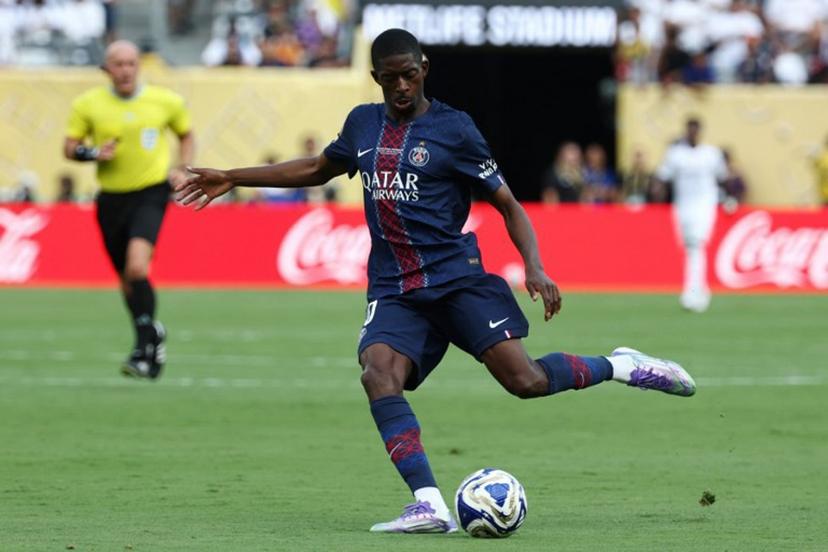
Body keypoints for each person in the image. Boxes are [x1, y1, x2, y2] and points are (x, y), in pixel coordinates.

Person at [176, 29, 696, 534]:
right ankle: (428, 504)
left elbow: (508, 203)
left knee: (527, 382)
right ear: (375, 78)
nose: (400, 87)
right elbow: (317, 167)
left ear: (424, 69)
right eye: (388, 79)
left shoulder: (456, 130)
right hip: (394, 289)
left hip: (455, 280)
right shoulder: (362, 125)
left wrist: (534, 266)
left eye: (408, 75)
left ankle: (625, 365)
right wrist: (234, 176)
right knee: (378, 373)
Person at [63, 40, 194, 379]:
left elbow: (186, 134)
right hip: (110, 199)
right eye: (118, 64)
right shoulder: (88, 105)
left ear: (139, 66)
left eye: (131, 63)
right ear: (106, 68)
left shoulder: (164, 101)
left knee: (137, 268)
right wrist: (92, 154)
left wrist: (182, 168)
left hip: (150, 192)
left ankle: (145, 342)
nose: (125, 70)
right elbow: (70, 147)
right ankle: (147, 341)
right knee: (126, 281)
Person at [655, 118, 727, 313]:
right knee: (690, 248)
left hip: (705, 205)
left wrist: (727, 198)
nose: (693, 133)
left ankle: (691, 293)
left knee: (697, 244)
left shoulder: (711, 154)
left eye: (696, 130)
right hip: (683, 206)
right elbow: (662, 177)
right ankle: (701, 291)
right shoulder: (676, 153)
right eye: (690, 130)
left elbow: (723, 177)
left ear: (700, 131)